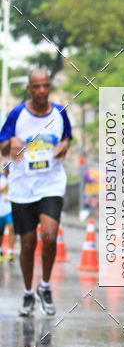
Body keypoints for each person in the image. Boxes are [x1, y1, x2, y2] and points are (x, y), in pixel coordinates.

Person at [0, 69, 72, 315]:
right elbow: (2, 146)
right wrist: (11, 144)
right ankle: (29, 293)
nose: (42, 90)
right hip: (22, 186)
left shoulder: (60, 112)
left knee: (50, 235)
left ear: (49, 87)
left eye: (45, 86)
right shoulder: (17, 114)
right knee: (27, 243)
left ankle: (45, 286)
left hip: (51, 183)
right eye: (37, 86)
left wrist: (63, 147)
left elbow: (67, 138)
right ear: (30, 89)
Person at [0, 166, 12, 260]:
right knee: (1, 232)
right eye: (6, 169)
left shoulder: (14, 178)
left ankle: (10, 252)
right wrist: (5, 186)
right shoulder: (1, 178)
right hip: (1, 209)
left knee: (12, 228)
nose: (7, 171)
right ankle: (0, 251)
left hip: (10, 208)